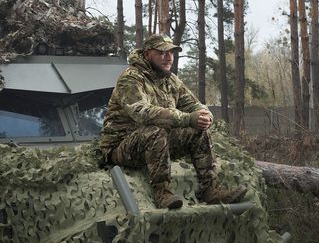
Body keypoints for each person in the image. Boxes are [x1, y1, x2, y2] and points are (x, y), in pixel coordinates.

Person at [100, 33, 246, 209]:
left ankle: (211, 191)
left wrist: (204, 116)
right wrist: (187, 118)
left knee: (197, 130)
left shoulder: (170, 80)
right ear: (147, 55)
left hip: (157, 142)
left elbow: (194, 104)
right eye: (162, 53)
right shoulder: (131, 78)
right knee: (155, 130)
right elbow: (143, 113)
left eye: (171, 53)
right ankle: (162, 193)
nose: (168, 57)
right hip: (121, 147)